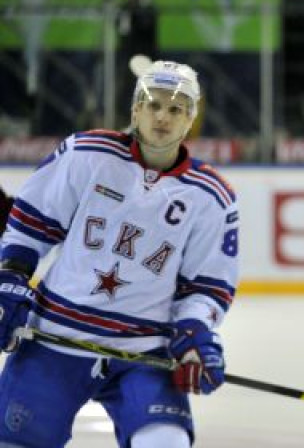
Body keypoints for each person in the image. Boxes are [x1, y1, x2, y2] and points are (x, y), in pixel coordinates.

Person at [0, 60, 238, 447]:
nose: (163, 117)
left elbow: (208, 286)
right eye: (154, 105)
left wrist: (195, 332)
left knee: (166, 442)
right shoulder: (86, 154)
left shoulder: (211, 196)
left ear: (190, 118)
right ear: (135, 110)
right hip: (56, 339)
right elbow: (30, 227)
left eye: (176, 109)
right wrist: (9, 278)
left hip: (143, 353)